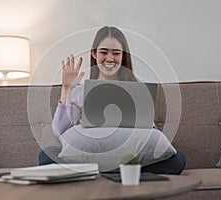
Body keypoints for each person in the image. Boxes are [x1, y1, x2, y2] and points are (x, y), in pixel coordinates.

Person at [39, 26, 186, 174]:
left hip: (129, 156)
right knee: (46, 155)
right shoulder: (80, 90)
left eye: (116, 53)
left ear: (123, 56)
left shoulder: (137, 85)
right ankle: (119, 175)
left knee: (177, 159)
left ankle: (109, 174)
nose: (110, 58)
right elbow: (60, 132)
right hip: (91, 156)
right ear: (94, 53)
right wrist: (66, 89)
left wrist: (149, 124)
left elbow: (147, 132)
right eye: (104, 52)